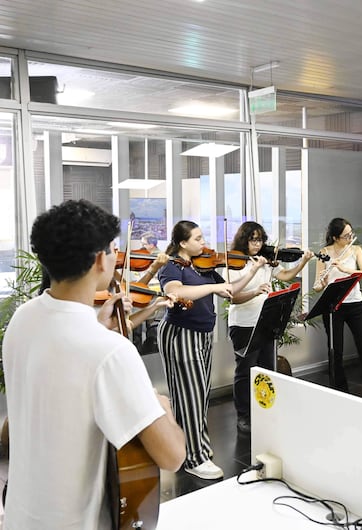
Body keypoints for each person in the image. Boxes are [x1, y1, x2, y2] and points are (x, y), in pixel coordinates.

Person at [2, 199, 185, 529]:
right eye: (115, 249)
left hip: (19, 516)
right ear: (101, 259)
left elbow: (56, 374)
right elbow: (172, 456)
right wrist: (162, 407)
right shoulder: (110, 352)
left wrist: (99, 328)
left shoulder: (22, 319)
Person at [156, 220, 253, 480]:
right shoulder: (172, 266)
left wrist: (253, 272)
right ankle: (194, 458)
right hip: (181, 334)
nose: (204, 243)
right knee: (190, 397)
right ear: (182, 243)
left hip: (201, 334)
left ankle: (193, 449)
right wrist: (212, 287)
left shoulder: (204, 264)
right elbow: (175, 291)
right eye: (198, 239)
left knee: (198, 395)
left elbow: (230, 290)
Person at [228, 221, 314, 434]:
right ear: (244, 240)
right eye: (253, 240)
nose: (257, 245)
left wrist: (302, 262)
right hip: (243, 324)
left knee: (266, 368)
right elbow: (233, 298)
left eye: (260, 240)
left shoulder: (265, 262)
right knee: (244, 370)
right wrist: (255, 291)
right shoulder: (234, 263)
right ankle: (244, 416)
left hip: (265, 322)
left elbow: (285, 276)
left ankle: (264, 411)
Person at [313, 217, 362, 403]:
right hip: (332, 307)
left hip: (355, 305)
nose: (350, 237)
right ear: (336, 237)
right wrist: (321, 281)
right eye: (346, 235)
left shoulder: (355, 250)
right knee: (335, 352)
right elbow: (317, 287)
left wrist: (346, 270)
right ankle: (340, 393)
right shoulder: (324, 253)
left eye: (350, 234)